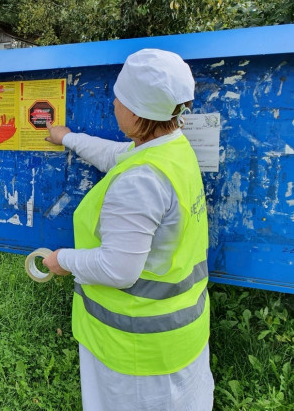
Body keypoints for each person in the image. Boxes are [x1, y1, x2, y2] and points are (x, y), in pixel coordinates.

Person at [43, 48, 214, 411]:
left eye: (119, 97)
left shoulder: (141, 181)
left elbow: (119, 269)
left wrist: (63, 261)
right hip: (180, 338)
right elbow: (116, 155)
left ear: (136, 111)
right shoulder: (171, 150)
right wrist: (67, 137)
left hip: (137, 352)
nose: (114, 103)